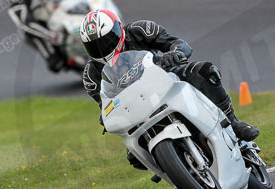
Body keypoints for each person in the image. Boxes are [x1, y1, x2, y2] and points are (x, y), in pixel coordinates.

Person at [79, 9, 259, 171]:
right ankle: (174, 169)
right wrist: (105, 115)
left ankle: (233, 122)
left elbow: (178, 43)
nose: (103, 48)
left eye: (107, 41)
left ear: (118, 30)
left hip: (166, 77)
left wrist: (175, 53)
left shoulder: (141, 30)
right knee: (135, 156)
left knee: (205, 71)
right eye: (94, 46)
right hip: (136, 106)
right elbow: (105, 103)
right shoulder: (91, 75)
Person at [8, 0, 104, 72]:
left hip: (51, 8)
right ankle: (75, 64)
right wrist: (50, 35)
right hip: (37, 26)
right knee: (55, 63)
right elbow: (27, 24)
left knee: (77, 4)